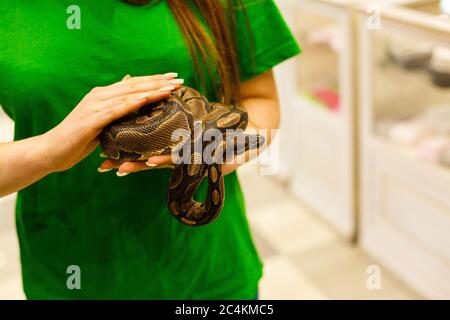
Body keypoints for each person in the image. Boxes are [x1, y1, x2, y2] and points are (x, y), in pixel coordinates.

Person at [0, 0, 300, 299]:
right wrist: (47, 151)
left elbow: (260, 102)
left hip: (206, 276)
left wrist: (216, 154)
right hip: (66, 274)